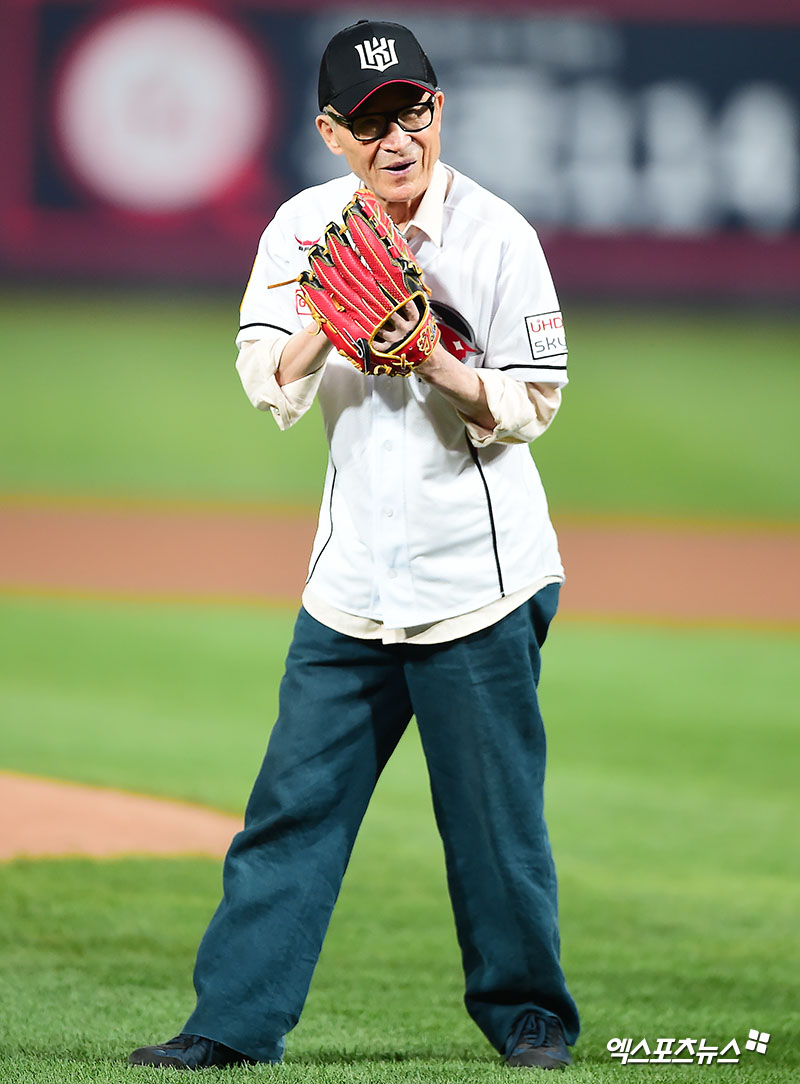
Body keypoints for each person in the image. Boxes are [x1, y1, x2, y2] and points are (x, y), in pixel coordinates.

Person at [128, 18, 579, 1072]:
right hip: (349, 586)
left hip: (479, 581)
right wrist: (329, 319)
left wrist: (434, 358)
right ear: (331, 132)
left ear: (438, 110)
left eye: (411, 111)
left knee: (493, 827)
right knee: (290, 812)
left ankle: (529, 1022)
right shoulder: (301, 229)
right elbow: (264, 378)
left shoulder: (497, 236)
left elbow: (536, 400)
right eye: (370, 122)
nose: (396, 138)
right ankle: (232, 1024)